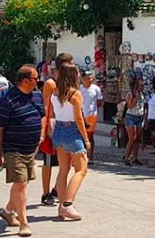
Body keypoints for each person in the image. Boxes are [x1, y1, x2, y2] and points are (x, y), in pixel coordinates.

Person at [0, 65, 44, 237]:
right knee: (21, 184)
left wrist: (41, 137)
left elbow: (42, 116)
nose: (38, 81)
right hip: (13, 149)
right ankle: (24, 223)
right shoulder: (8, 101)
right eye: (36, 79)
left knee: (21, 183)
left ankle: (8, 211)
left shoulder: (37, 96)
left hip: (31, 149)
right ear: (25, 81)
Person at [51, 62, 90, 221]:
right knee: (81, 170)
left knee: (63, 169)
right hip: (71, 130)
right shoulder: (75, 94)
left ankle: (62, 206)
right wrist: (86, 139)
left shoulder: (55, 91)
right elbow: (79, 119)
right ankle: (68, 204)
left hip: (58, 129)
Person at [41, 53, 73, 206]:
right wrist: (48, 125)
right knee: (48, 161)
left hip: (65, 126)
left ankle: (56, 189)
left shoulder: (68, 84)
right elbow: (46, 106)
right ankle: (46, 192)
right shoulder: (51, 83)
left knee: (67, 162)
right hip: (53, 125)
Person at [79, 70, 103, 166]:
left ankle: (91, 156)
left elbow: (100, 101)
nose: (90, 80)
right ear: (83, 79)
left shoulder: (96, 89)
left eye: (91, 78)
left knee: (90, 136)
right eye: (87, 78)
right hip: (80, 115)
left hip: (91, 115)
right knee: (80, 136)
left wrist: (94, 109)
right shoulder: (79, 88)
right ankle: (81, 156)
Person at [123, 77, 146, 166]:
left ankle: (135, 157)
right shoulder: (131, 94)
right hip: (131, 117)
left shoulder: (143, 94)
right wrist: (135, 98)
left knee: (137, 139)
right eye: (141, 85)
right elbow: (129, 106)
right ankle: (126, 156)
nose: (143, 87)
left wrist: (145, 117)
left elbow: (144, 106)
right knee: (132, 138)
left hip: (140, 116)